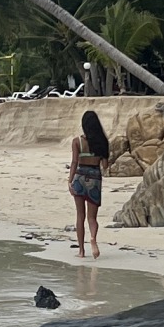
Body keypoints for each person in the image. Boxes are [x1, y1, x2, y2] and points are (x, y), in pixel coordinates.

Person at [68, 108, 109, 256]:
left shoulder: (77, 141)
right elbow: (105, 166)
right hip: (95, 178)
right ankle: (92, 238)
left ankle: (81, 250)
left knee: (80, 216)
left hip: (80, 176)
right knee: (92, 218)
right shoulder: (102, 142)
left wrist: (70, 181)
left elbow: (74, 162)